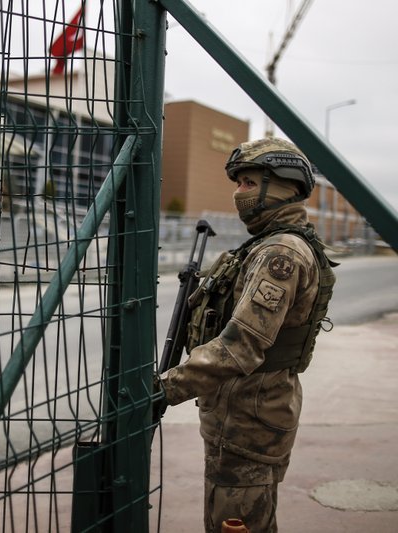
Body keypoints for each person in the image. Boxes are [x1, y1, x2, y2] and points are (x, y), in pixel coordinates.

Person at [157, 137, 336, 532]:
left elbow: (241, 347)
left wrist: (164, 388)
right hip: (246, 417)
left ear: (283, 186)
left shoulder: (281, 254)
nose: (239, 193)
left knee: (235, 523)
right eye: (238, 183)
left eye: (249, 183)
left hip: (248, 423)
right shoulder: (268, 245)